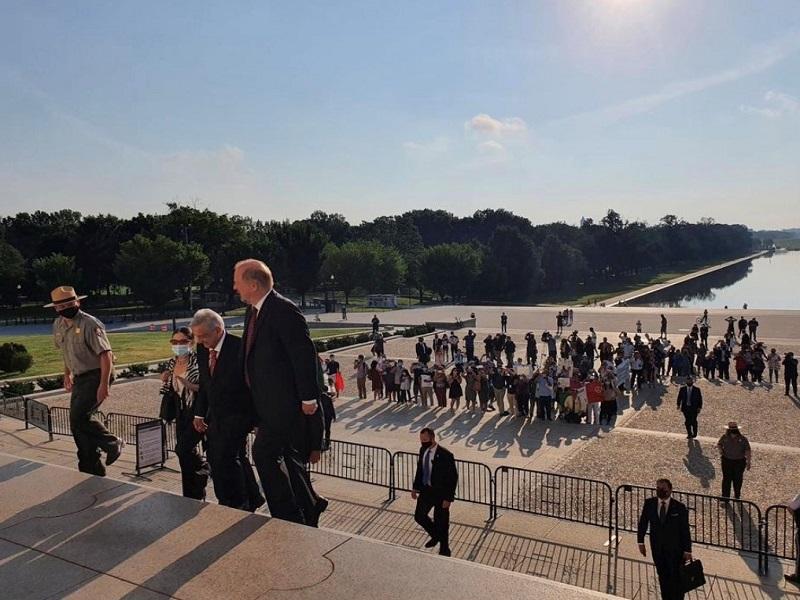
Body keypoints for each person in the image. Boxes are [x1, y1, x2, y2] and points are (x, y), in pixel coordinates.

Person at [235, 258, 325, 527]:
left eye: (237, 282)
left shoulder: (283, 310)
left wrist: (308, 398)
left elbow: (303, 354)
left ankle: (287, 517)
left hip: (284, 403)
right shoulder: (253, 311)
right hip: (264, 402)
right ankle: (310, 504)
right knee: (286, 457)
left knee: (264, 454)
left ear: (253, 285)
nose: (234, 287)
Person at [191, 309, 263, 511]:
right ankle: (252, 497)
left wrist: (258, 421)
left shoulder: (240, 349)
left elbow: (255, 386)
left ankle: (233, 502)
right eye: (197, 336)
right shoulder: (202, 348)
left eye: (203, 335)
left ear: (218, 330)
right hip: (216, 415)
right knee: (231, 456)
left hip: (239, 413)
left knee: (223, 457)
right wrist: (199, 412)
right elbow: (205, 383)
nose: (200, 340)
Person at [49, 286, 123, 476]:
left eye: (69, 304)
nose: (66, 308)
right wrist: (67, 374)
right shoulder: (58, 324)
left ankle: (112, 442)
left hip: (98, 374)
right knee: (76, 423)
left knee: (80, 416)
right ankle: (90, 465)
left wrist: (104, 385)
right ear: (55, 308)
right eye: (61, 306)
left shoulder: (90, 323)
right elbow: (66, 352)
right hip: (80, 376)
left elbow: (106, 355)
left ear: (78, 302)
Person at [160, 326, 208, 499]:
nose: (178, 345)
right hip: (180, 412)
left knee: (182, 449)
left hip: (197, 411)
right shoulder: (172, 362)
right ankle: (191, 493)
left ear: (191, 342)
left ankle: (203, 468)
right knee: (184, 455)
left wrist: (189, 384)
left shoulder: (198, 361)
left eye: (183, 341)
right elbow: (170, 389)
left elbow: (206, 388)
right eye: (174, 341)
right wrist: (166, 379)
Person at [638, 478, 692, 600]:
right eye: (658, 488)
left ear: (670, 490)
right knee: (663, 577)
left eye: (663, 488)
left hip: (676, 551)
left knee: (677, 578)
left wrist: (687, 550)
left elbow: (685, 530)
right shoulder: (650, 504)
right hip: (658, 549)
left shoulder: (679, 507)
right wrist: (640, 542)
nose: (660, 490)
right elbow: (643, 523)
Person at [411, 428, 458, 557]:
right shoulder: (423, 450)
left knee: (442, 521)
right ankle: (436, 535)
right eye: (421, 440)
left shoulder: (445, 455)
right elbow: (420, 469)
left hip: (441, 494)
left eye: (425, 440)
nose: (423, 442)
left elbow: (452, 477)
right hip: (426, 490)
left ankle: (444, 549)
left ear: (432, 438)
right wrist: (415, 488)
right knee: (419, 516)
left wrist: (448, 498)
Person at [717, 421, 751, 500]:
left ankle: (737, 496)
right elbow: (719, 444)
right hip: (727, 460)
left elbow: (748, 450)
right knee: (726, 479)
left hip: (739, 462)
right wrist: (720, 450)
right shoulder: (725, 437)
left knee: (737, 479)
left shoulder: (742, 439)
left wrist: (748, 462)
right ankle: (725, 497)